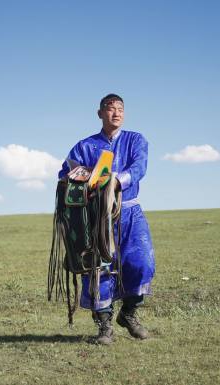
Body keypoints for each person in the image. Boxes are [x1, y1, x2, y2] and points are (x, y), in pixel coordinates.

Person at [57, 93, 156, 345]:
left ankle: (129, 314)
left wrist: (116, 180)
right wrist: (92, 176)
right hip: (97, 217)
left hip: (130, 211)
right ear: (100, 113)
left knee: (142, 263)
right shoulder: (85, 146)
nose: (116, 113)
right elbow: (65, 171)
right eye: (110, 109)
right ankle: (104, 327)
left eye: (120, 109)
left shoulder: (136, 140)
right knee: (98, 269)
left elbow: (139, 168)